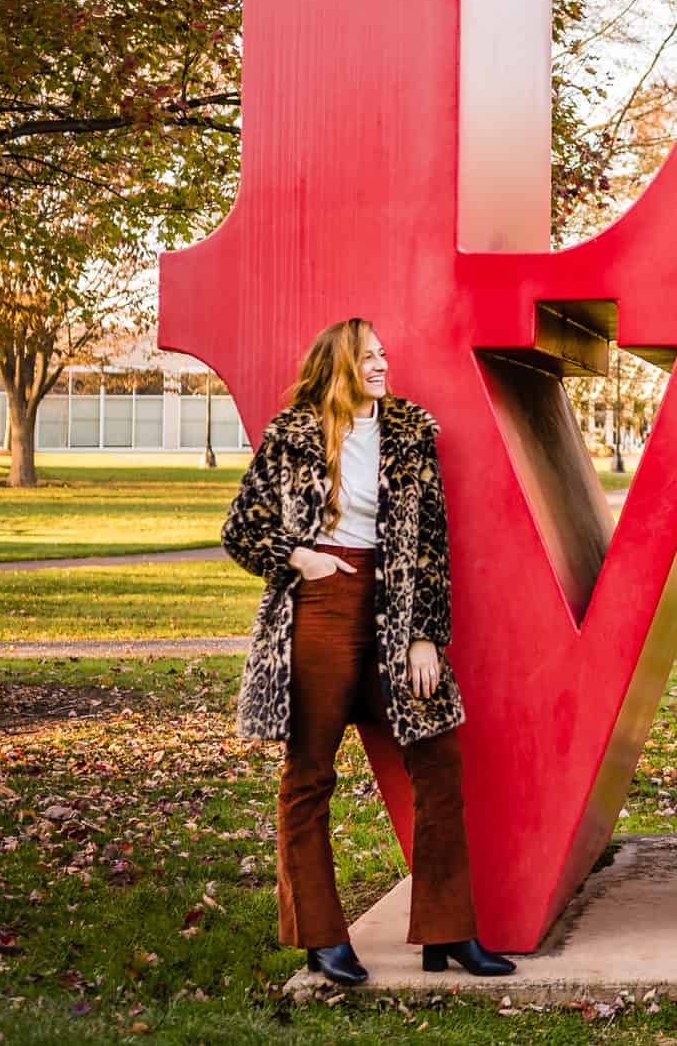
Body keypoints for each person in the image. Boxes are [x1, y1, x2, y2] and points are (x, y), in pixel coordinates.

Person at [222, 318, 514, 985]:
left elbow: (432, 543)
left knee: (439, 759)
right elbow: (241, 527)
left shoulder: (410, 432)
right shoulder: (293, 433)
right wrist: (301, 557)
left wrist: (424, 635)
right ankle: (322, 937)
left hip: (397, 608)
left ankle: (449, 930)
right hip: (320, 606)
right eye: (371, 356)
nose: (384, 364)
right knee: (308, 775)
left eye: (384, 354)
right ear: (341, 364)